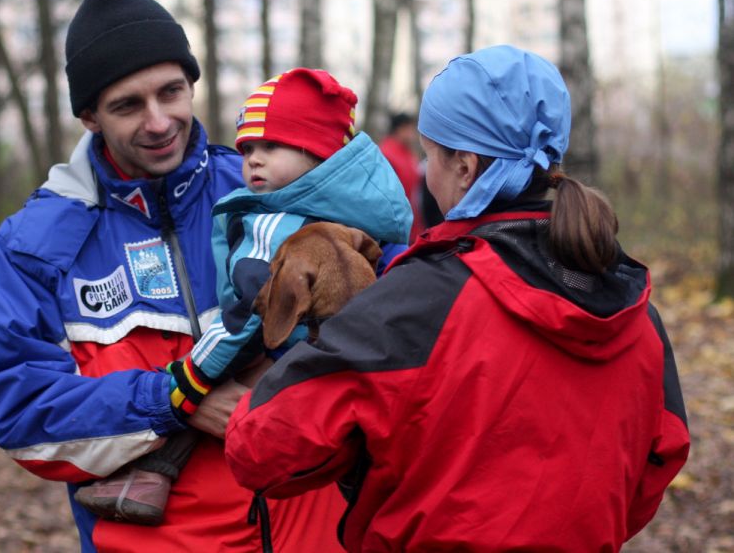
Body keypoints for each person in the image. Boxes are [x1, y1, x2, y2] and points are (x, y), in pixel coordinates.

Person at [225, 45, 690, 552]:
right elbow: (660, 457)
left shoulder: (416, 300)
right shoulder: (632, 304)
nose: (427, 171)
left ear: (465, 167)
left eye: (430, 155)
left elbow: (259, 450)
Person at [0, 0, 347, 552]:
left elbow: (384, 302)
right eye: (128, 105)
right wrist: (173, 400)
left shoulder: (268, 190)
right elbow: (18, 410)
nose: (159, 121)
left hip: (316, 533)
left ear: (191, 85)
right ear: (90, 116)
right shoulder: (33, 245)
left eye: (171, 92)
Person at [76, 67, 412, 529]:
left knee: (206, 392)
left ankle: (149, 476)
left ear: (315, 152)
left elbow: (247, 315)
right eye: (248, 149)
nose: (253, 161)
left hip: (282, 348)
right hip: (341, 356)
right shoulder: (356, 208)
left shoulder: (273, 224)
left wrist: (191, 376)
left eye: (271, 147)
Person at [379, 112, 426, 240]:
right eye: (410, 129)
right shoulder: (386, 153)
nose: (413, 134)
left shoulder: (408, 153)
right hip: (395, 227)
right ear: (401, 129)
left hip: (412, 224)